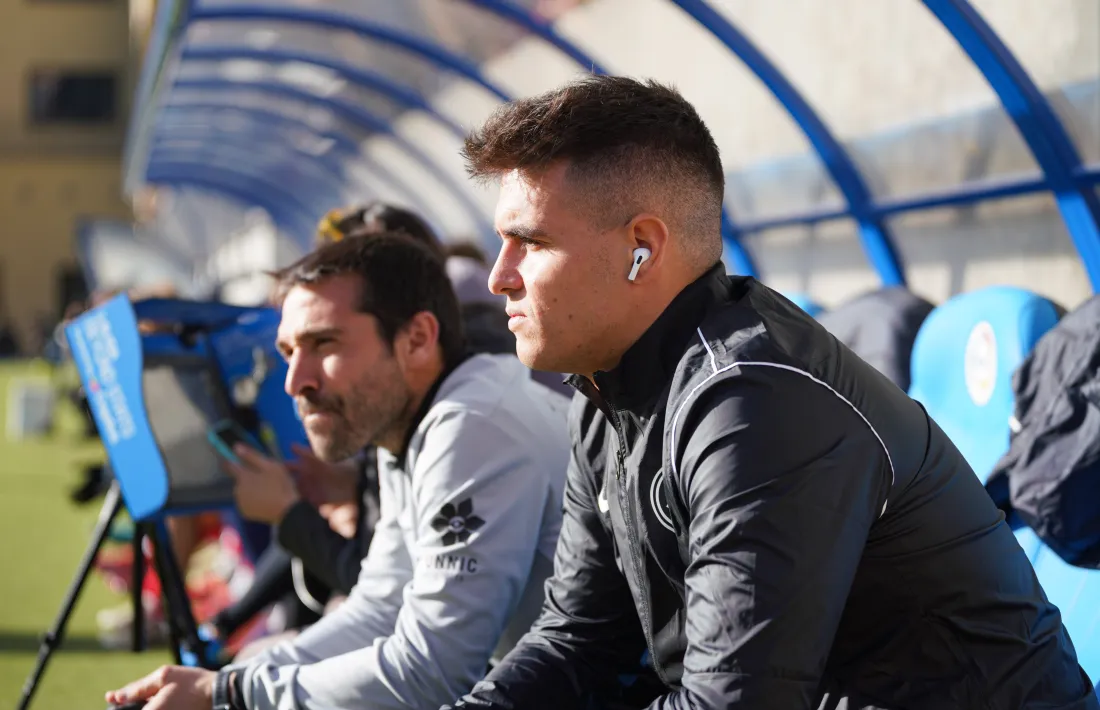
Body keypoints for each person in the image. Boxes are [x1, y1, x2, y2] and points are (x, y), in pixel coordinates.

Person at [446, 76, 1099, 709]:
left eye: (529, 242)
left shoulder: (751, 403)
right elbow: (576, 642)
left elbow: (730, 702)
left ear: (641, 249)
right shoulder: (605, 396)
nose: (500, 276)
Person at [105, 233, 570, 710]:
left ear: (417, 340)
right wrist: (227, 680)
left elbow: (432, 671)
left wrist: (228, 693)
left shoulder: (471, 425)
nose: (295, 382)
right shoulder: (414, 423)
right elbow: (380, 608)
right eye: (288, 352)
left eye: (323, 343)